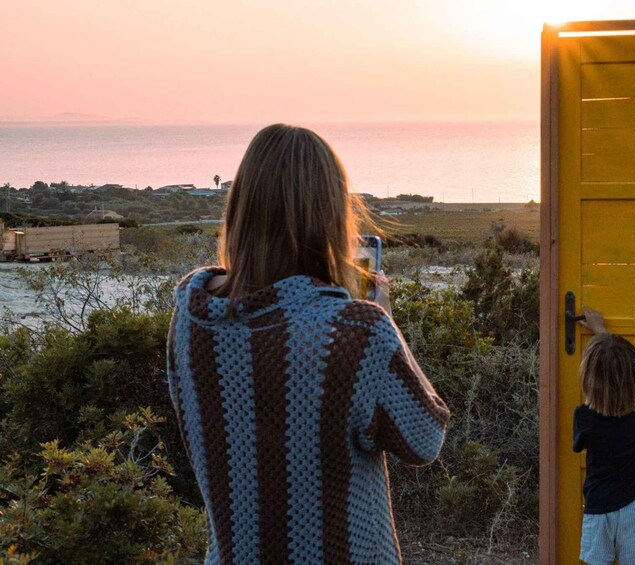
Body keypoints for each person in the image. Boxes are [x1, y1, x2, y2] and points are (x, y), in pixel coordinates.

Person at [166, 124, 451, 564]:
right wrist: (387, 323)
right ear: (332, 216)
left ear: (241, 208)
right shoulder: (356, 331)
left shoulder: (193, 316)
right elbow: (423, 439)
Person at [573, 307, 635, 565]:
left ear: (589, 380)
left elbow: (578, 446)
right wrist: (601, 331)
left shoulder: (584, 417)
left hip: (600, 508)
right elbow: (619, 373)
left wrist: (598, 333)